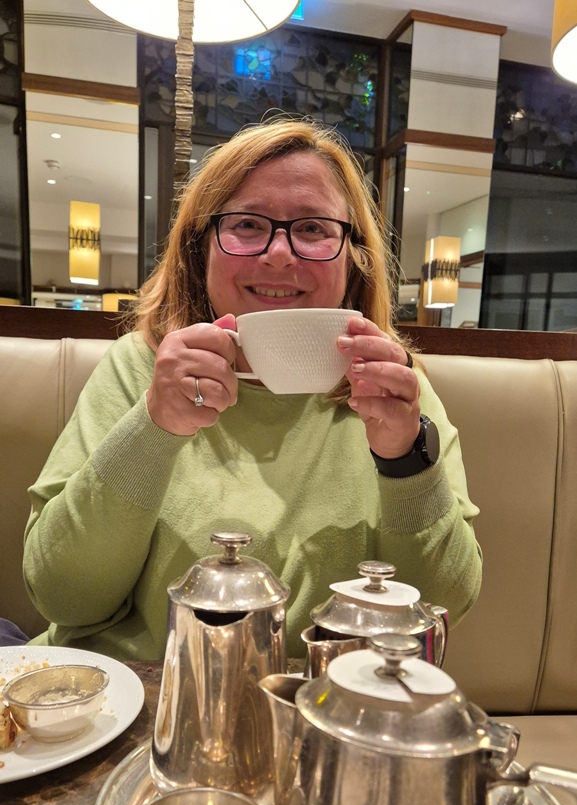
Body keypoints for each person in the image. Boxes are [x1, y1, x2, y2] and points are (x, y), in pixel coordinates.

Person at [23, 116, 482, 661]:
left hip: (323, 700)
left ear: (353, 257)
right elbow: (63, 596)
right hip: (139, 692)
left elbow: (442, 606)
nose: (280, 253)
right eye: (246, 224)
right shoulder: (140, 368)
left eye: (312, 228)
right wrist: (155, 426)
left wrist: (404, 458)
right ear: (200, 249)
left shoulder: (394, 389)